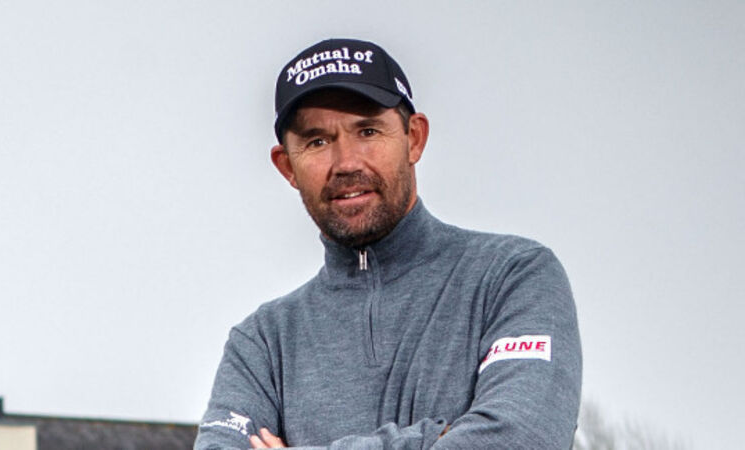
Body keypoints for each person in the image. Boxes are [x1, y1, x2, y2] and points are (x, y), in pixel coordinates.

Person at [195, 38, 581, 450]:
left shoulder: (512, 277)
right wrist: (430, 438)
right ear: (287, 166)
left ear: (414, 138)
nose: (346, 163)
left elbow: (521, 438)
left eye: (368, 131)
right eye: (317, 141)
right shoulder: (262, 343)